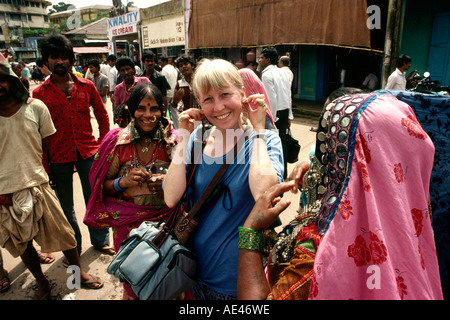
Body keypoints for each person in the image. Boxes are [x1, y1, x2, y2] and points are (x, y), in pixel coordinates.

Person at [237, 91, 443, 300]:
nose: (321, 156)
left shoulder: (322, 253)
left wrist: (251, 230)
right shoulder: (414, 225)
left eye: (330, 146)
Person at [164, 58, 284, 299]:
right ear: (199, 103)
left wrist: (259, 129)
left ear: (242, 94)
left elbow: (264, 196)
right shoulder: (197, 140)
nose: (218, 107)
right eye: (208, 99)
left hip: (240, 282)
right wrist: (184, 138)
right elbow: (170, 197)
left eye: (225, 94)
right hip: (193, 273)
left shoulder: (266, 141)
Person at [0, 54, 104, 299]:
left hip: (37, 182)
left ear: (12, 80)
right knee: (23, 243)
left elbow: (46, 142)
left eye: (2, 79)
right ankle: (41, 282)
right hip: (4, 191)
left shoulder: (34, 107)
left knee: (64, 234)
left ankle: (78, 274)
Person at [84, 82, 179, 300]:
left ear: (162, 109)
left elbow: (190, 181)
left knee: (167, 279)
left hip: (166, 222)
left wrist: (168, 181)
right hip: (128, 227)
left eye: (154, 108)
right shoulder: (117, 142)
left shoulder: (174, 141)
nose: (148, 115)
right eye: (141, 108)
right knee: (134, 278)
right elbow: (102, 187)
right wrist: (123, 182)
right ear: (130, 109)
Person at [32, 34, 114, 258]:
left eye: (63, 57)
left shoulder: (86, 86)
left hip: (88, 152)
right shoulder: (39, 94)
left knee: (94, 198)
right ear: (46, 61)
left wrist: (103, 144)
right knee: (65, 206)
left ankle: (100, 240)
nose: (59, 62)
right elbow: (38, 132)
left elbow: (102, 116)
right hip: (57, 156)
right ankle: (73, 248)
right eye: (53, 58)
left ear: (70, 60)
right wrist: (45, 164)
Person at [259, 47, 293, 179]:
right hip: (284, 110)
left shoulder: (267, 75)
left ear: (268, 59)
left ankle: (275, 174)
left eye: (261, 58)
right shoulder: (283, 72)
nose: (260, 60)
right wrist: (289, 115)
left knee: (272, 144)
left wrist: (271, 120)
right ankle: (283, 172)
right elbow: (288, 94)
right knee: (282, 142)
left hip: (275, 113)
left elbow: (270, 98)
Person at [113, 57, 151, 127]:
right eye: (122, 70)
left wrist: (138, 91)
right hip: (127, 124)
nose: (126, 73)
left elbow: (153, 97)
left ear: (133, 69)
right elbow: (116, 108)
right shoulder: (118, 89)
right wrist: (124, 108)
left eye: (128, 69)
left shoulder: (144, 81)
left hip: (145, 119)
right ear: (119, 73)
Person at [161, 55, 180, 126]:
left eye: (161, 62)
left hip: (167, 93)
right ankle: (177, 126)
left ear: (164, 62)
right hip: (173, 92)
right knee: (174, 111)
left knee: (164, 111)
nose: (160, 64)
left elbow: (164, 83)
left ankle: (166, 125)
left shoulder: (164, 70)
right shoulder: (174, 69)